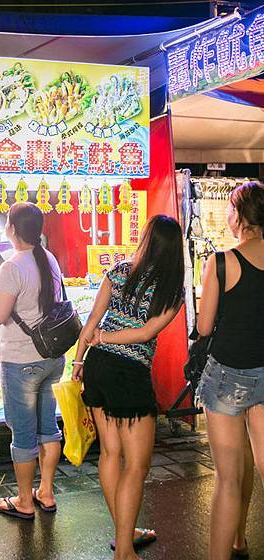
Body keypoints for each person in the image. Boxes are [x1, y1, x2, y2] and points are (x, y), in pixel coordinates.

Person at [72, 215, 184, 560]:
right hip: (129, 372)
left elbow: (92, 319)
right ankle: (124, 549)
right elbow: (145, 334)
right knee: (137, 465)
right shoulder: (171, 290)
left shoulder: (119, 270)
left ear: (147, 239)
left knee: (110, 453)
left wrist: (79, 361)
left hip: (97, 367)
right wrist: (104, 338)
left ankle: (126, 532)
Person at [196, 181, 264, 560]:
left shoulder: (222, 262)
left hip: (227, 376)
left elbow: (204, 328)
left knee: (228, 480)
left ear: (238, 215)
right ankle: (240, 541)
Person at [0, 202, 64, 520]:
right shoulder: (49, 259)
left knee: (23, 435)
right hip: (52, 359)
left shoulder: (12, 266)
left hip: (22, 363)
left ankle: (24, 501)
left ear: (13, 229)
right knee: (49, 429)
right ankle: (45, 491)